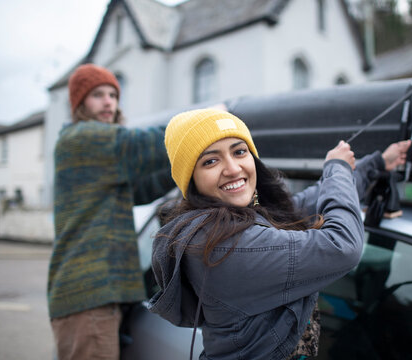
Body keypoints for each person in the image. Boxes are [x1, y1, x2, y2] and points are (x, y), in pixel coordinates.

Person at [148, 108, 368, 360]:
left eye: (239, 151)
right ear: (191, 180)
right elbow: (343, 246)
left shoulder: (230, 220)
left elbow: (295, 208)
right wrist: (338, 169)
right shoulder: (222, 245)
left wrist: (373, 166)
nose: (232, 168)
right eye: (210, 161)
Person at [47, 63, 174, 359]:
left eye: (113, 95)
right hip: (89, 296)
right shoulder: (82, 138)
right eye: (97, 95)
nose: (108, 102)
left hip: (94, 299)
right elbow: (144, 144)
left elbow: (142, 188)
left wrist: (190, 167)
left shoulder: (105, 160)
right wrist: (208, 121)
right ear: (79, 103)